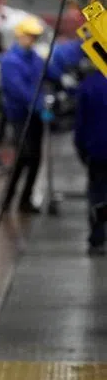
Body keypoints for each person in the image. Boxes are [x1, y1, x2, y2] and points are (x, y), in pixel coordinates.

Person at [0, 16, 51, 214]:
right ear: (20, 36)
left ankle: (24, 200)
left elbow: (44, 79)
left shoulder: (36, 58)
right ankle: (8, 200)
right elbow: (18, 90)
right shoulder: (10, 61)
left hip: (36, 114)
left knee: (35, 157)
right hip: (19, 115)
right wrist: (38, 104)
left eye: (35, 36)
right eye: (30, 36)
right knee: (24, 155)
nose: (32, 40)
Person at [74, 64, 107, 255]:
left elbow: (80, 124)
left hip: (97, 151)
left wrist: (81, 149)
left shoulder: (88, 85)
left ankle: (97, 238)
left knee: (97, 195)